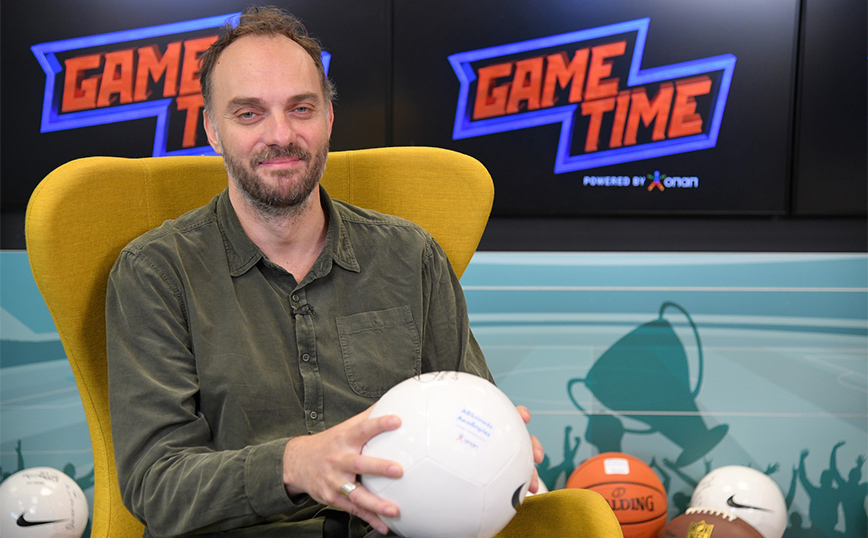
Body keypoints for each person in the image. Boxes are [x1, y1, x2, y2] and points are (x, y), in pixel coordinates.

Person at [105, 6, 542, 538]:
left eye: (301, 108)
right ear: (213, 130)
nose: (281, 134)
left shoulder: (412, 257)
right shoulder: (156, 273)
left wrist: (498, 449)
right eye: (249, 114)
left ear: (329, 118)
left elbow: (467, 411)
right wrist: (294, 464)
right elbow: (156, 484)